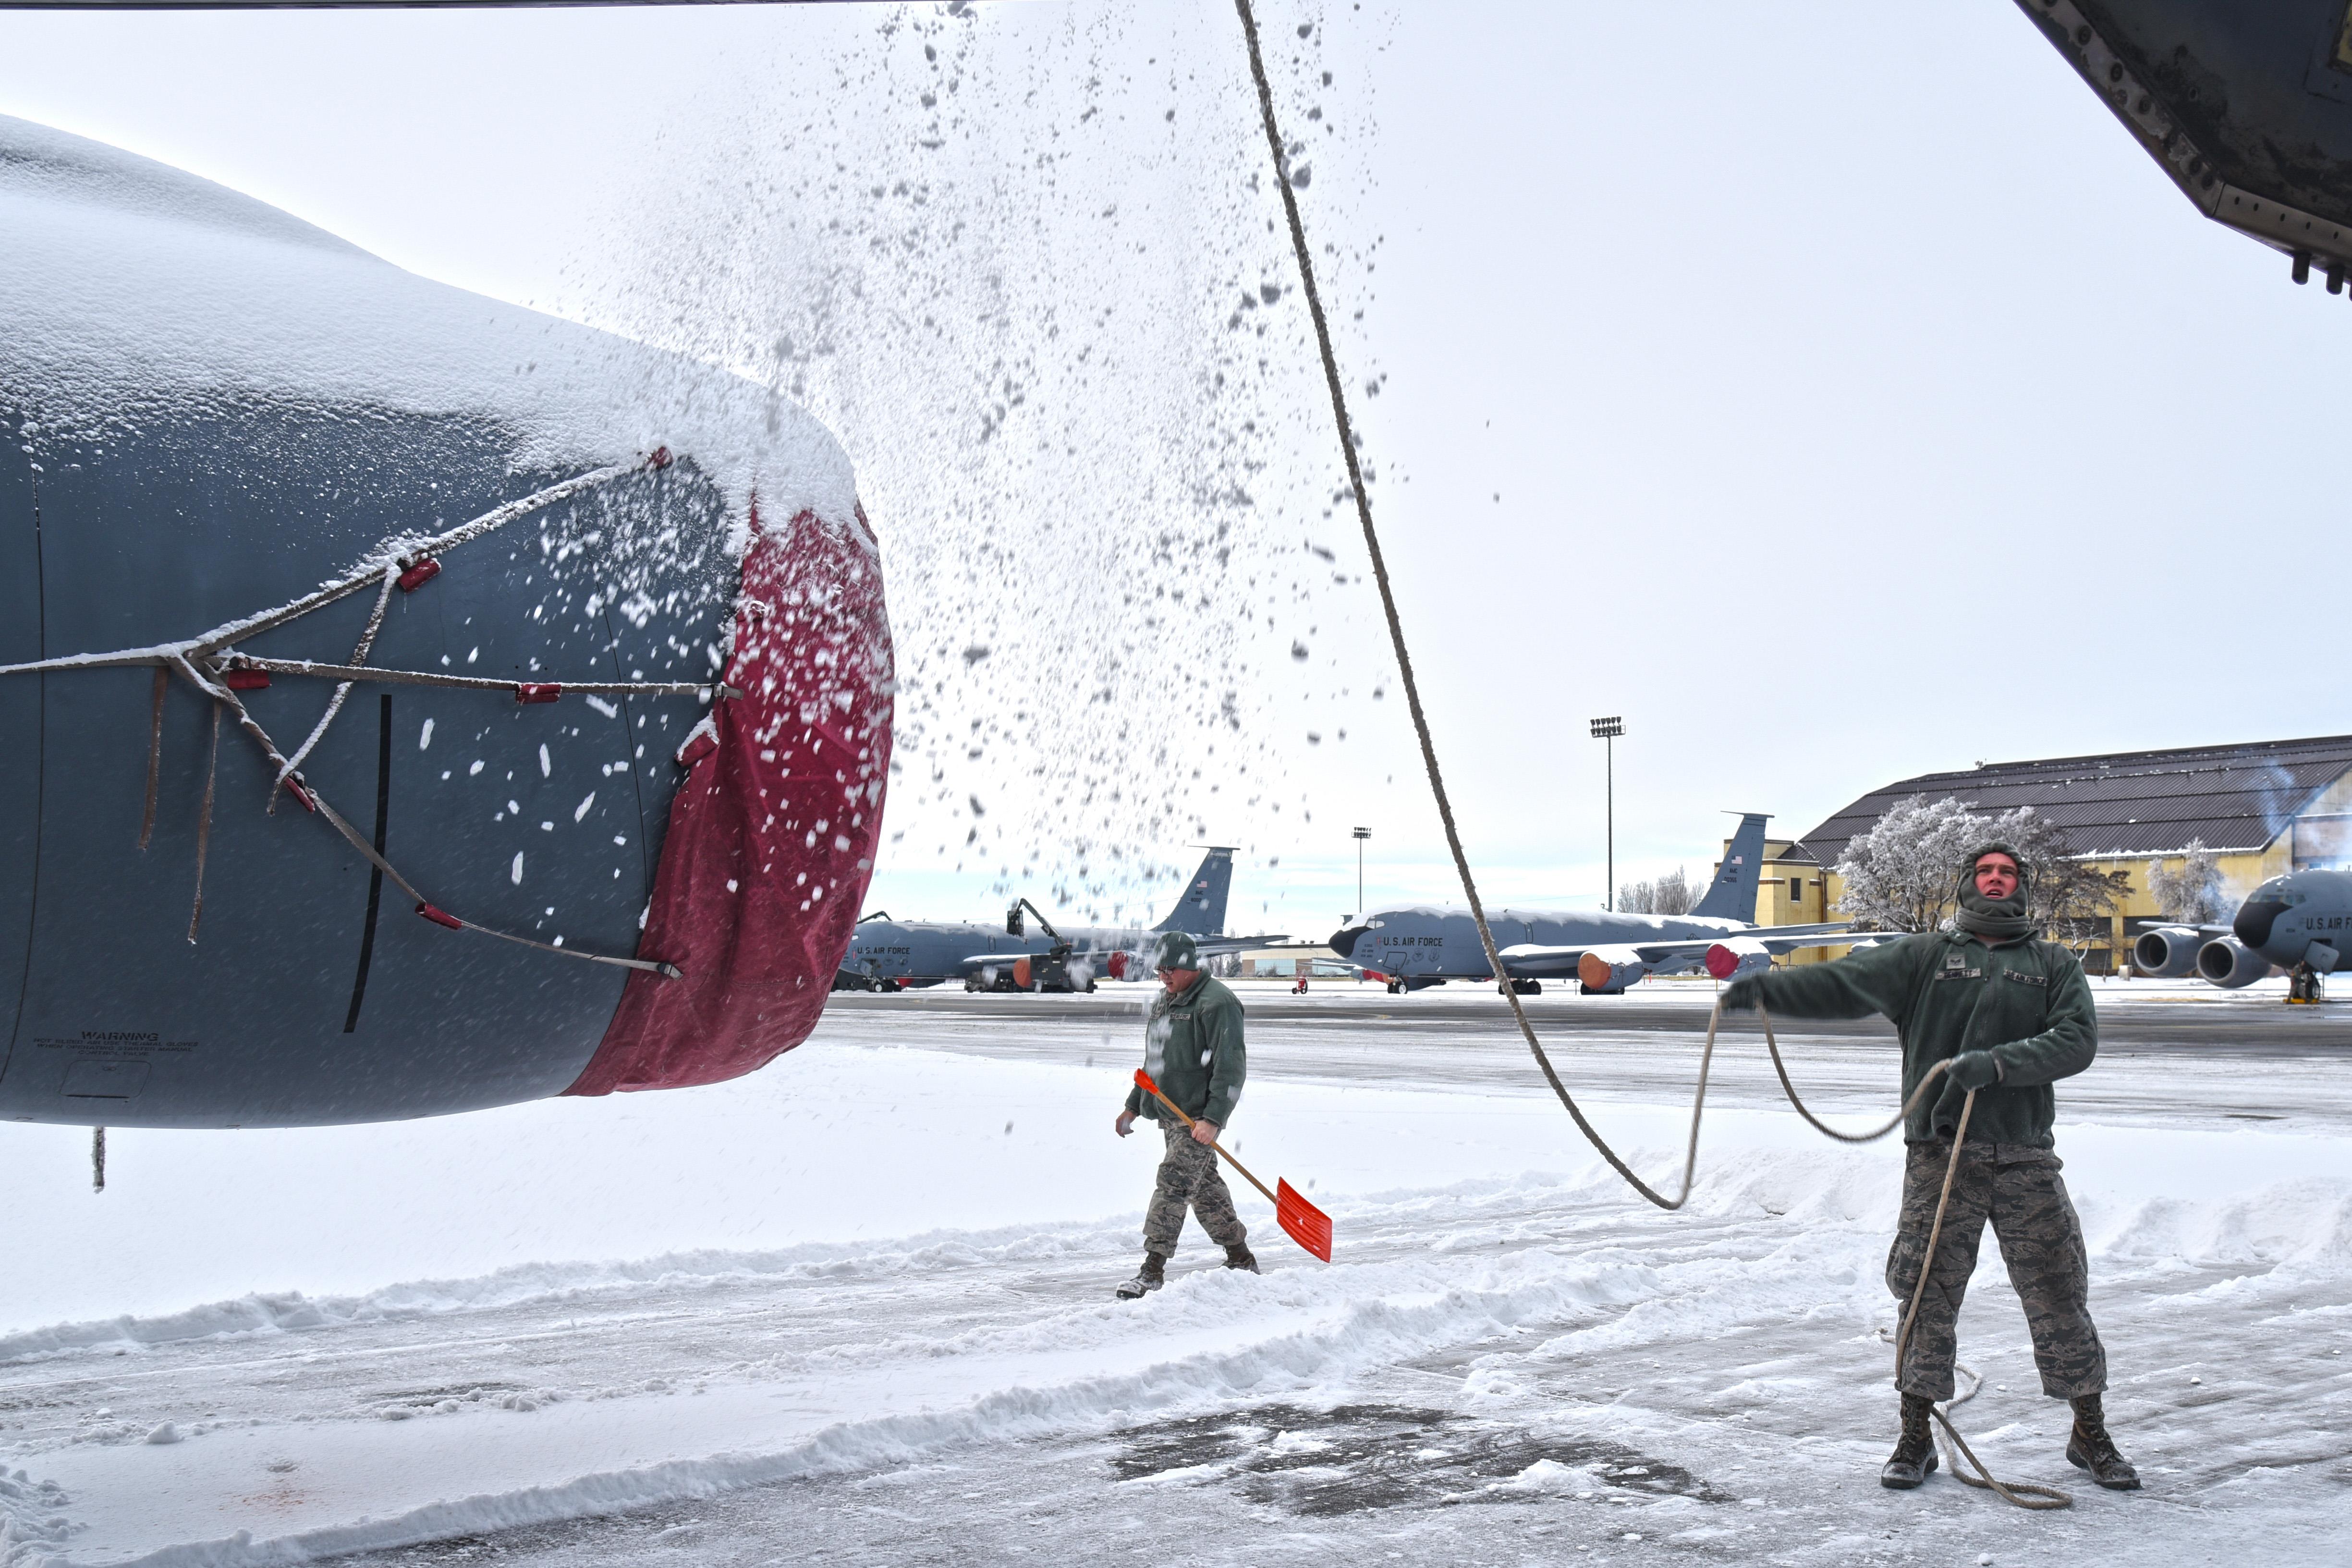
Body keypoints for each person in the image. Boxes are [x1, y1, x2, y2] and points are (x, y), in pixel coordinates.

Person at [1721, 843, 2139, 1493]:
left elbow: (2075, 1040)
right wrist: (1766, 990)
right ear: (1967, 886)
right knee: (1924, 1295)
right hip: (1942, 1157)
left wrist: (1995, 1064)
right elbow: (1843, 982)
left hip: (2024, 1153)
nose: (1996, 880)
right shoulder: (1924, 958)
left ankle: (2090, 1431)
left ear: (2020, 887)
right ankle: (1914, 1434)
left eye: (2007, 873)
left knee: (2058, 1290)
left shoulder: (2052, 963)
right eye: (1985, 872)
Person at [1112, 929, 1257, 1298]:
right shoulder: (1167, 999)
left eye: (1169, 969)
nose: (1163, 976)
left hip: (1196, 1117)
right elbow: (1154, 1064)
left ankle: (1152, 1269)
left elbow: (1230, 1068)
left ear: (1189, 965)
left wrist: (1213, 1119)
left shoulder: (1217, 1003)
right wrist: (1134, 1104)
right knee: (1204, 1191)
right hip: (1169, 1112)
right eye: (1159, 969)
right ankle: (1240, 1257)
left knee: (1174, 1184)